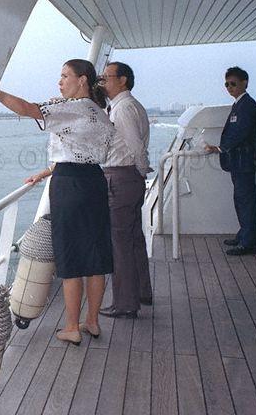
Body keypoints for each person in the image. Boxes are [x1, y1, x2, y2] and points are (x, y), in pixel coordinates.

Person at [0, 59, 115, 344]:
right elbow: (83, 152)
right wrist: (47, 171)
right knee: (95, 256)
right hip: (93, 182)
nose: (59, 82)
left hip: (70, 186)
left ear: (83, 80)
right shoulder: (99, 112)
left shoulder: (72, 108)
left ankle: (72, 327)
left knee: (71, 255)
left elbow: (26, 109)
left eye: (64, 76)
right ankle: (92, 322)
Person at [97, 62, 152, 319]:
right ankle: (141, 291)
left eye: (106, 78)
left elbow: (135, 147)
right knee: (133, 239)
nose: (102, 82)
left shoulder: (124, 109)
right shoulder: (128, 105)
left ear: (123, 80)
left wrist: (140, 171)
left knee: (119, 243)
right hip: (127, 178)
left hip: (121, 177)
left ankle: (125, 303)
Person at [206, 67, 256, 256]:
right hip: (238, 162)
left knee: (246, 201)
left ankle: (249, 242)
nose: (229, 87)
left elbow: (241, 132)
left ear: (244, 83)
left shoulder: (247, 104)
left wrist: (219, 148)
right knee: (240, 200)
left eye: (233, 83)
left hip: (243, 161)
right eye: (226, 84)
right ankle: (244, 234)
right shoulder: (239, 104)